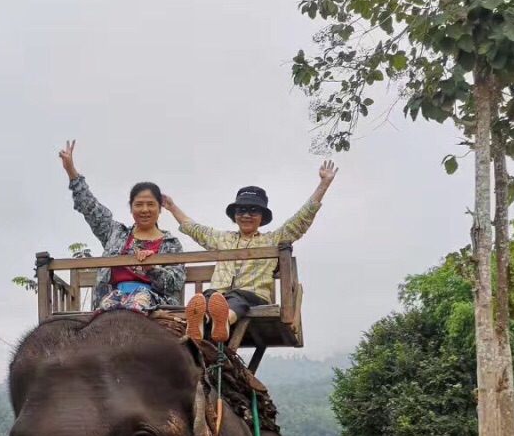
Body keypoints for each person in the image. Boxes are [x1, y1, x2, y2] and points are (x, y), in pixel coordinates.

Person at [162, 163, 338, 342]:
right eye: (242, 210)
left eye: (253, 210)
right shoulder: (223, 239)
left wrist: (323, 185)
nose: (246, 215)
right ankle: (202, 321)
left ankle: (224, 319)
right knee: (208, 297)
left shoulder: (272, 239)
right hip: (218, 294)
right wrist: (172, 207)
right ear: (235, 214)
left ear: (262, 216)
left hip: (252, 296)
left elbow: (301, 220)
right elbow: (195, 229)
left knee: (238, 298)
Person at [59, 140, 185, 313]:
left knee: (136, 303)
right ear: (131, 207)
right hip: (115, 296)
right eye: (139, 204)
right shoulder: (115, 233)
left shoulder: (171, 244)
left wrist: (151, 268)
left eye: (150, 204)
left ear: (160, 208)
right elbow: (90, 207)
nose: (145, 210)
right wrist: (71, 171)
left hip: (151, 301)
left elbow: (174, 284)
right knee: (103, 314)